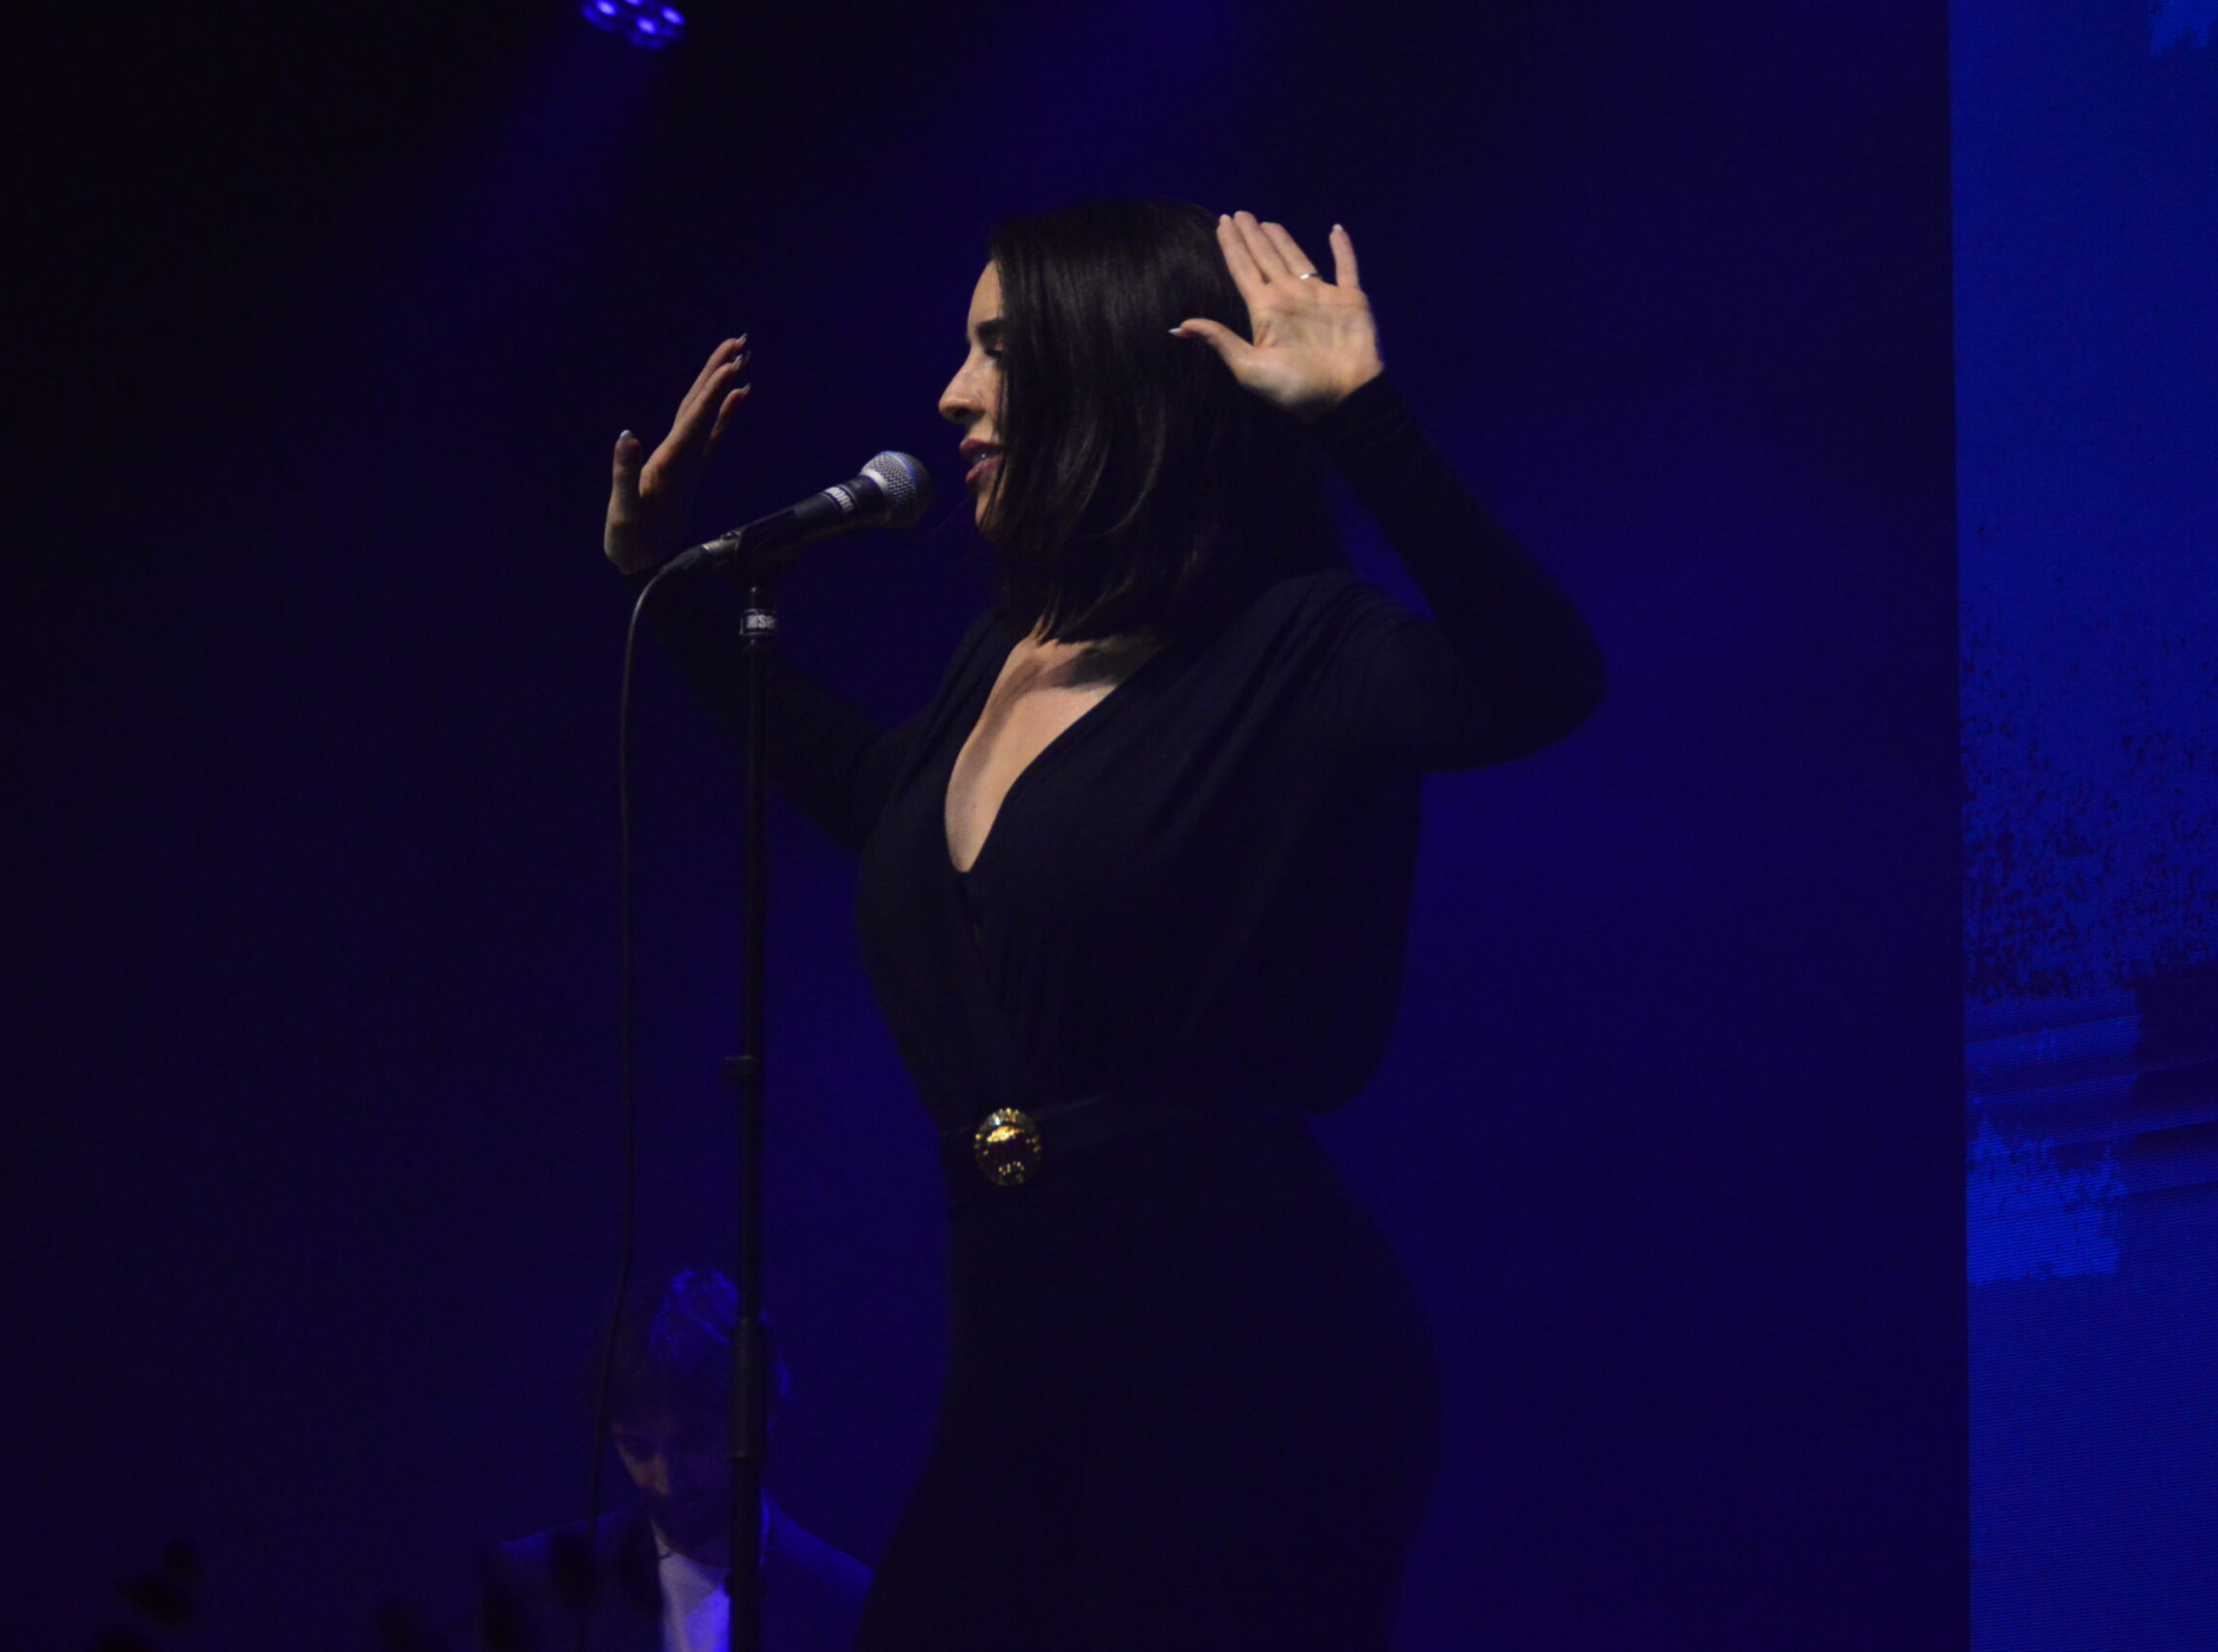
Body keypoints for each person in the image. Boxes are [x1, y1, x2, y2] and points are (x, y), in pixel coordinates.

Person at [603, 202, 1605, 1650]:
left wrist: (1362, 419)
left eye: (999, 351)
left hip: (1246, 1341)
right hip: (1023, 1338)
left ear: (1112, 376)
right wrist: (676, 594)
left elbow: (1542, 680)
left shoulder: (1298, 642)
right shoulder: (1007, 657)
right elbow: (884, 808)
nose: (952, 395)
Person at [484, 1271, 870, 1652]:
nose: (667, 1482)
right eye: (637, 1448)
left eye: (691, 1444)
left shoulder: (845, 1601)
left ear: (760, 1419)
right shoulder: (538, 1583)